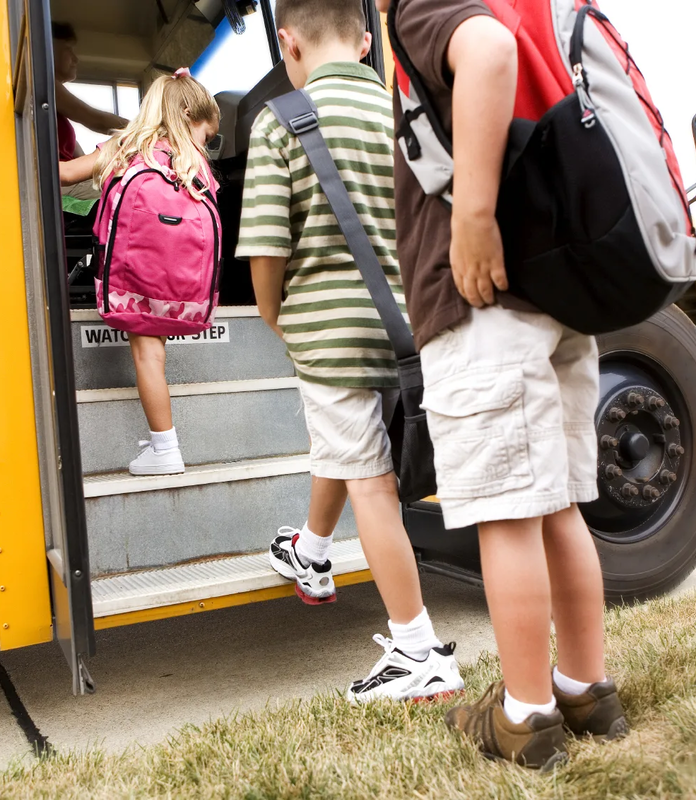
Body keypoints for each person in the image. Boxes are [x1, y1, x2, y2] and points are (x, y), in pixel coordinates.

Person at [381, 0, 628, 770]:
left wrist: (473, 216)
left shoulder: (426, 6)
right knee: (557, 507)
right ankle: (586, 687)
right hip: (556, 290)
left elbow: (486, 53)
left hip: (483, 298)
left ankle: (525, 715)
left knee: (508, 514)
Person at [236, 0, 464, 703]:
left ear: (288, 43)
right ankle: (310, 552)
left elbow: (268, 246)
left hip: (330, 331)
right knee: (352, 447)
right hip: (411, 325)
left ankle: (416, 647)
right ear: (368, 41)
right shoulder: (404, 113)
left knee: (369, 479)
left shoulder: (282, 119)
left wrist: (279, 318)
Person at [93, 71, 222, 476]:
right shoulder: (195, 164)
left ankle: (165, 447)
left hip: (134, 279)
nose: (205, 143)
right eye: (206, 133)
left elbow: (62, 176)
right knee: (155, 353)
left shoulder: (126, 148)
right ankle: (162, 446)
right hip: (178, 286)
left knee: (147, 353)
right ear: (187, 115)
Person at [53, 22, 129, 199]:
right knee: (123, 194)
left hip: (64, 184)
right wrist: (145, 128)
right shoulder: (43, 83)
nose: (76, 58)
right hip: (57, 185)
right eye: (68, 48)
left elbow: (80, 159)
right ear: (48, 48)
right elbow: (95, 120)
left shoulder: (57, 115)